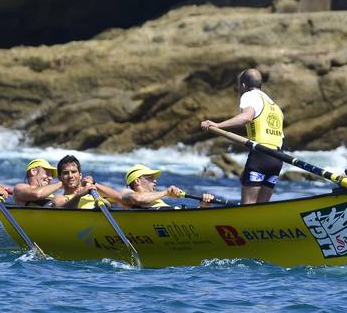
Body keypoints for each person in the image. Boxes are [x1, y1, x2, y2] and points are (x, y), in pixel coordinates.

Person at [201, 68, 284, 204]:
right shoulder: (274, 106)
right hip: (277, 158)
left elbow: (247, 117)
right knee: (262, 208)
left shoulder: (249, 96)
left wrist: (219, 125)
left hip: (260, 155)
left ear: (243, 85)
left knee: (248, 208)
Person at [119, 165, 213, 209]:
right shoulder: (127, 192)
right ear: (137, 181)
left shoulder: (154, 197)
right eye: (151, 177)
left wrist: (203, 206)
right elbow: (138, 198)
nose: (155, 180)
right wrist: (166, 192)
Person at [54, 155, 121, 208]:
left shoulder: (95, 193)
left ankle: (101, 207)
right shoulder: (60, 197)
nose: (70, 176)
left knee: (105, 201)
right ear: (59, 177)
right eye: (66, 173)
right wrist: (79, 195)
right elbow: (63, 210)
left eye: (74, 172)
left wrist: (93, 184)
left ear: (80, 176)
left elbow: (120, 198)